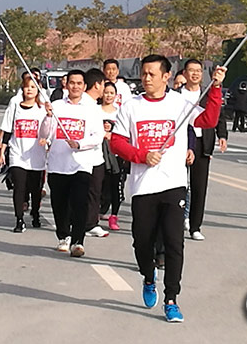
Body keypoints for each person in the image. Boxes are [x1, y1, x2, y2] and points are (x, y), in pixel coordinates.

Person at [110, 55, 225, 323]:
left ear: (166, 77)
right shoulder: (131, 106)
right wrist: (141, 155)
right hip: (143, 187)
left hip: (173, 184)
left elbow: (208, 120)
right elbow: (116, 142)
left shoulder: (179, 104)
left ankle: (171, 298)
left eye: (152, 74)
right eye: (144, 74)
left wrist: (216, 87)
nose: (146, 78)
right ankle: (148, 277)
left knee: (175, 244)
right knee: (142, 242)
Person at [39, 69, 103, 258]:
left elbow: (98, 136)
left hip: (81, 164)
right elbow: (44, 134)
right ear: (66, 85)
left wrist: (80, 144)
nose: (75, 86)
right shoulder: (56, 106)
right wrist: (48, 117)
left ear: (84, 86)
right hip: (58, 163)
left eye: (79, 83)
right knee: (59, 204)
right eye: (72, 83)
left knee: (80, 203)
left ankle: (78, 241)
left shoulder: (92, 108)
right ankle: (63, 236)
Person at [179, 59, 228, 241]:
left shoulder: (208, 93)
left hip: (202, 143)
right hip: (180, 143)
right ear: (184, 73)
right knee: (179, 185)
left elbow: (218, 114)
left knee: (199, 187)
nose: (195, 74)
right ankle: (178, 220)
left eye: (198, 70)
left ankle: (195, 226)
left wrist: (222, 135)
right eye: (191, 70)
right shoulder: (176, 96)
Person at [0, 75, 47, 232]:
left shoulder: (42, 109)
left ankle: (35, 213)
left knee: (35, 189)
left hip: (36, 156)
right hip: (17, 153)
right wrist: (2, 151)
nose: (30, 90)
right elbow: (7, 129)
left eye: (33, 87)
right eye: (27, 87)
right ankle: (19, 219)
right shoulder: (15, 107)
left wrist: (46, 140)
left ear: (38, 90)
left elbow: (49, 130)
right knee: (19, 188)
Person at [83, 67, 110, 239]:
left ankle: (87, 221)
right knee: (92, 192)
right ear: (97, 85)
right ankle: (89, 224)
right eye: (103, 85)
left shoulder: (92, 105)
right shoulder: (86, 105)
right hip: (87, 156)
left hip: (95, 156)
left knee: (93, 191)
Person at [98, 81, 125, 232]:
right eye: (106, 92)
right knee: (99, 185)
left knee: (116, 186)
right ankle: (96, 213)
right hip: (98, 153)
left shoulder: (120, 112)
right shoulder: (95, 110)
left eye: (111, 93)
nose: (108, 96)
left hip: (116, 155)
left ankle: (114, 216)